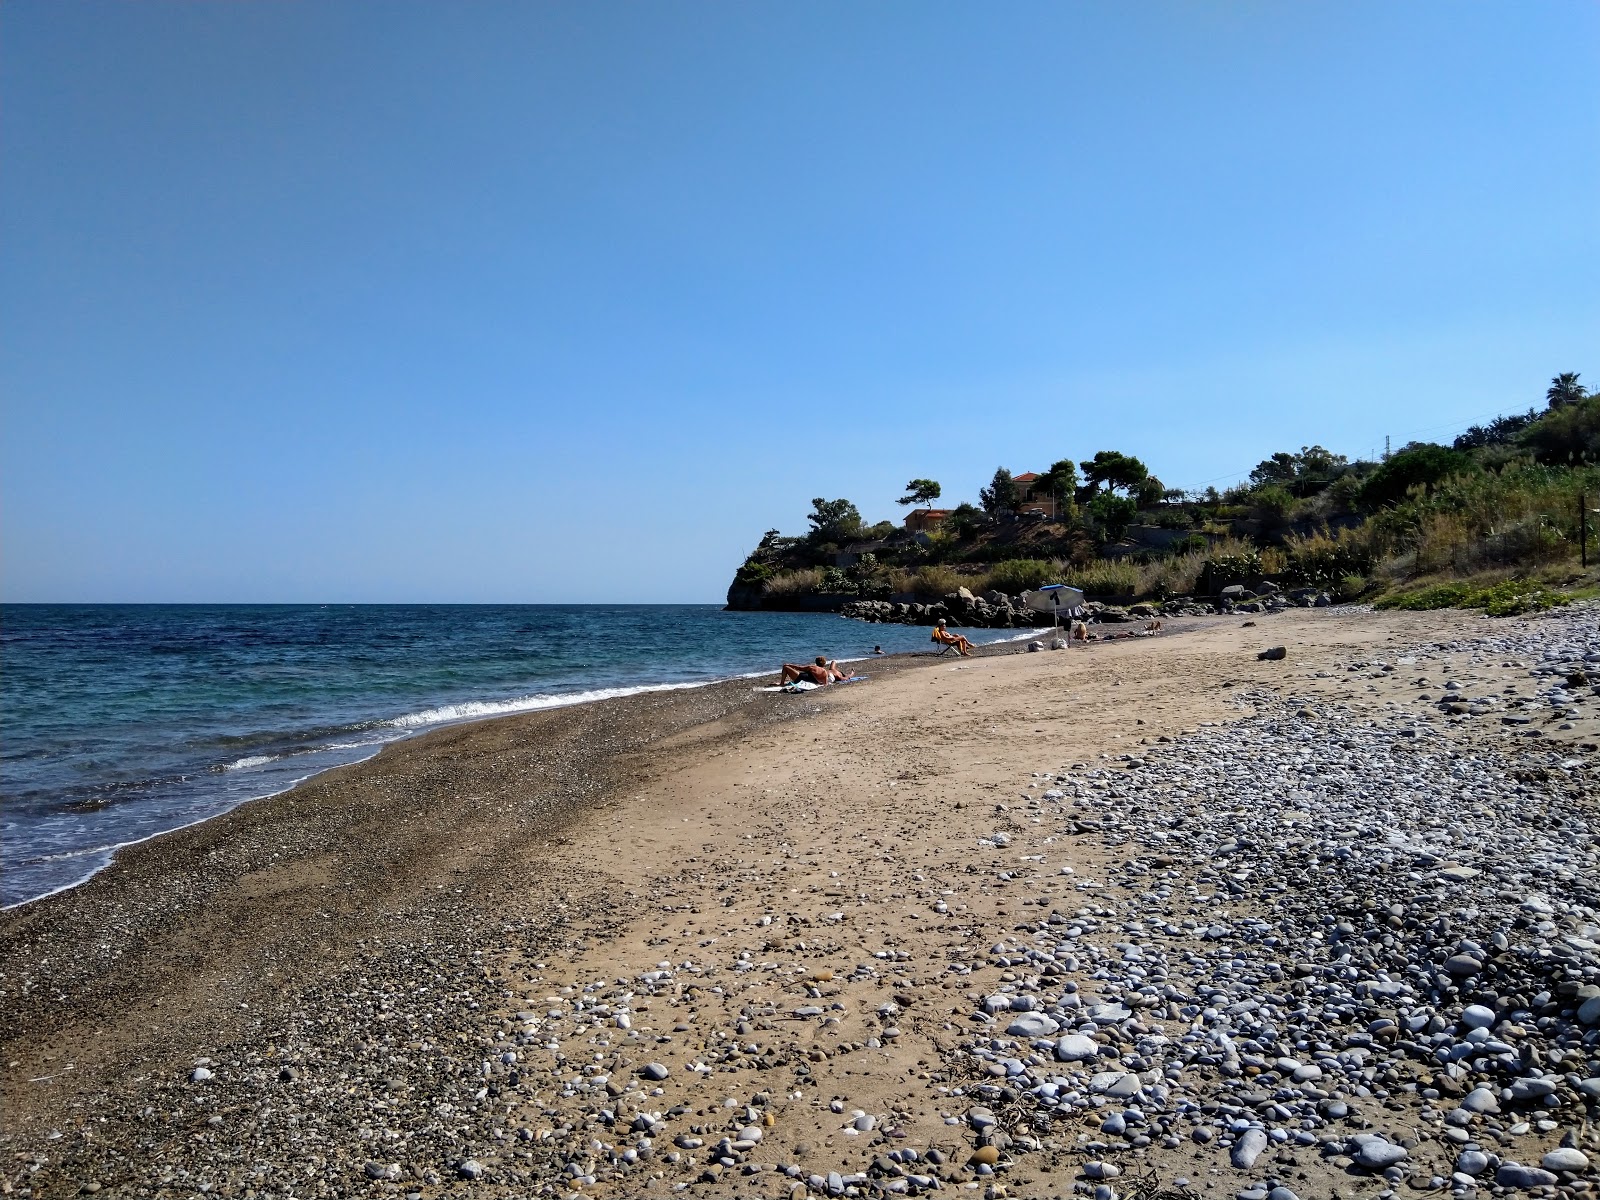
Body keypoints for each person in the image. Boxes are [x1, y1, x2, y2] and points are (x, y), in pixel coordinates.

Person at [777, 656, 848, 686]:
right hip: (807, 680)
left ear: (816, 662)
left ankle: (782, 683)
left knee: (785, 667)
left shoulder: (812, 667)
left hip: (800, 677)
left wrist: (789, 664)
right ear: (824, 663)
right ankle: (783, 682)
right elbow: (825, 683)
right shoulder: (824, 672)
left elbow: (798, 667)